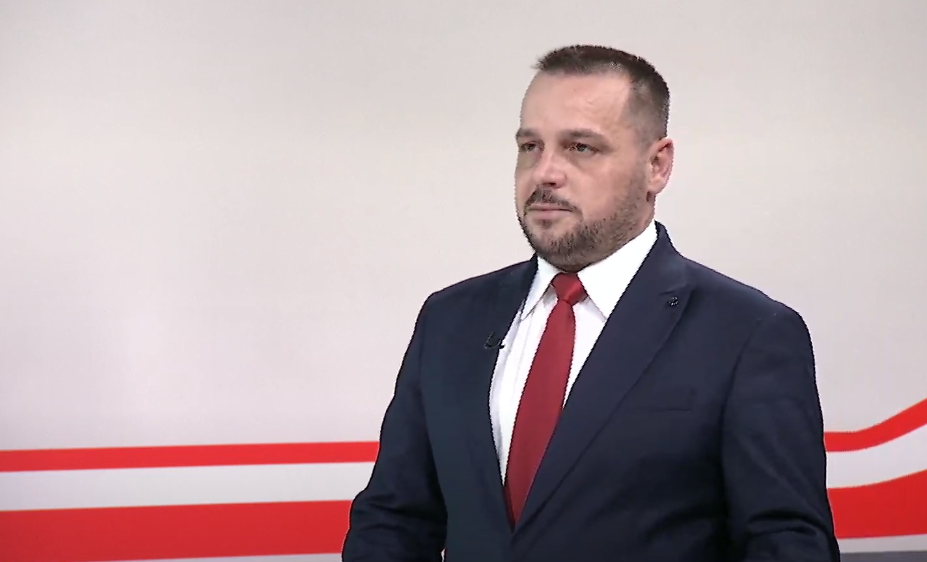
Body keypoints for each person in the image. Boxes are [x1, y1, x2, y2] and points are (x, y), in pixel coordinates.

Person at [341, 45, 839, 562]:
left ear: (657, 166)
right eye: (530, 146)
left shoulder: (747, 334)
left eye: (580, 147)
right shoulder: (450, 319)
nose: (544, 173)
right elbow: (395, 520)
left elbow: (786, 544)